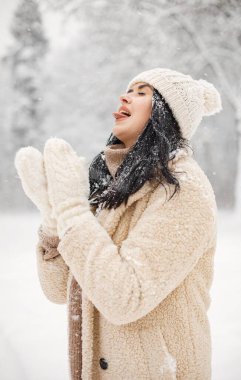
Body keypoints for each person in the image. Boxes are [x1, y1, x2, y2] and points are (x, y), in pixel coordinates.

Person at [15, 67, 222, 380]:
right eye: (129, 90)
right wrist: (54, 220)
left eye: (142, 92)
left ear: (166, 115)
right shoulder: (118, 186)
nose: (125, 96)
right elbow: (61, 291)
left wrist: (72, 209)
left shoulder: (184, 189)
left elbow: (126, 297)